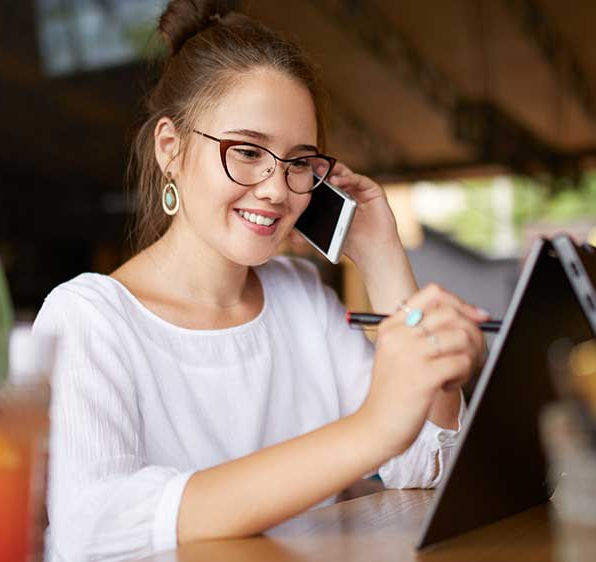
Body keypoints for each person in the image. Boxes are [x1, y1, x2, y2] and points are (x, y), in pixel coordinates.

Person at [32, 1, 489, 560]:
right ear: (170, 149)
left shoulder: (302, 299)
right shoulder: (89, 317)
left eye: (298, 163)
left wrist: (380, 254)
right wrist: (370, 430)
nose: (276, 189)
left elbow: (427, 466)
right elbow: (96, 527)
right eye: (247, 151)